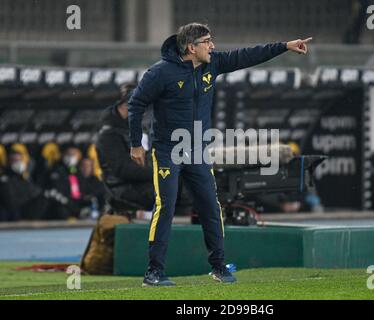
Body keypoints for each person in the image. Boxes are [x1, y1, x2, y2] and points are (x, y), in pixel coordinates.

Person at [128, 22, 312, 286]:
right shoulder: (159, 73)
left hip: (198, 149)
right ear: (192, 47)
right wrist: (136, 144)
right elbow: (136, 104)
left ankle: (218, 267)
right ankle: (154, 272)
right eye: (207, 41)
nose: (212, 46)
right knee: (165, 207)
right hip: (169, 150)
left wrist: (284, 46)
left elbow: (248, 55)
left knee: (211, 207)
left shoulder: (212, 64)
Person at [95, 84, 155, 212]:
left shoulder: (136, 130)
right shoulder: (109, 135)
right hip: (122, 191)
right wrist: (157, 173)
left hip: (140, 185)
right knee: (171, 193)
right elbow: (123, 169)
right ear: (125, 105)